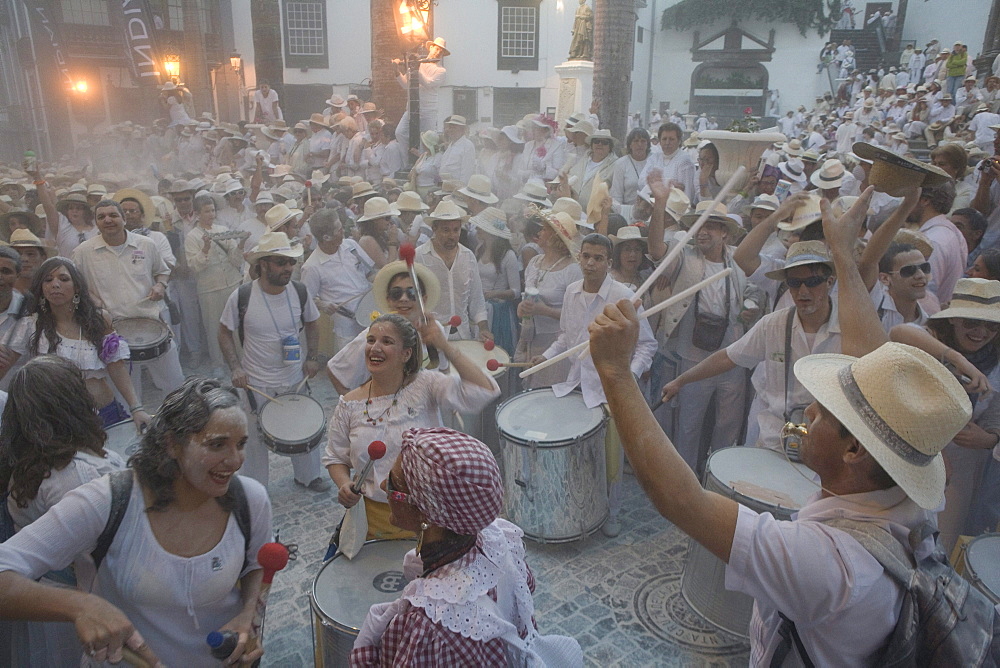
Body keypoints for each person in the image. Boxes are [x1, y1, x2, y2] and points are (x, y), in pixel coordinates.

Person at [589, 188, 970, 666]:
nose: (810, 412)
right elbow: (867, 361)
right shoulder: (907, 500)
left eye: (825, 410)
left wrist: (616, 373)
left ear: (855, 450)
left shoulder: (830, 566)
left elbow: (683, 501)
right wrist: (845, 257)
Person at [0, 377, 272, 666]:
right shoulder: (107, 500)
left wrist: (248, 616)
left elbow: (258, 564)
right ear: (171, 444)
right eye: (217, 445)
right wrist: (80, 605)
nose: (235, 460)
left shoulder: (250, 499)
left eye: (241, 444)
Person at [350, 427, 567, 665]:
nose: (383, 486)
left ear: (427, 514)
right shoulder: (500, 542)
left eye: (393, 484)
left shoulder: (429, 624)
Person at [324, 315, 499, 543]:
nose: (375, 348)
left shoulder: (426, 385)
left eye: (387, 342)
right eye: (371, 340)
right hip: (372, 519)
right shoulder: (349, 403)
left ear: (406, 354)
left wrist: (444, 346)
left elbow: (483, 391)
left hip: (429, 516)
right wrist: (344, 484)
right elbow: (335, 457)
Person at [0, 355, 126, 667]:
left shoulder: (30, 465)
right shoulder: (72, 476)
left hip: (49, 599)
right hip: (80, 603)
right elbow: (93, 560)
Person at [530, 232, 656, 536]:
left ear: (608, 262)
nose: (590, 263)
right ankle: (580, 504)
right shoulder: (572, 291)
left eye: (598, 258)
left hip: (609, 390)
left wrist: (627, 377)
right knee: (580, 454)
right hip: (575, 385)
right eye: (585, 256)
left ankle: (611, 512)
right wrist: (544, 357)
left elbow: (647, 347)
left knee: (611, 457)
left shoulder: (624, 297)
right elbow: (567, 339)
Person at [890, 277, 1000, 552]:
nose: (981, 332)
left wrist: (989, 439)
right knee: (895, 536)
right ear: (952, 319)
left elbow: (996, 418)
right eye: (971, 323)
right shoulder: (932, 339)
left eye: (991, 326)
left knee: (940, 548)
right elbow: (899, 332)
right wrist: (958, 360)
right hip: (910, 454)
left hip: (962, 467)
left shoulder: (997, 358)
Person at [218, 231, 329, 490]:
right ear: (264, 264)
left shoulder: (299, 291)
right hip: (255, 382)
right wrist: (235, 367)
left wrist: (312, 357)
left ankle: (309, 476)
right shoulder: (242, 296)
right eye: (281, 262)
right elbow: (224, 331)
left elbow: (313, 323)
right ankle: (254, 487)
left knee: (303, 425)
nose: (289, 267)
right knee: (253, 440)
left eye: (291, 262)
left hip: (294, 378)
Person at [71, 199, 184, 404]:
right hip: (111, 331)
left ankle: (179, 427)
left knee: (174, 385)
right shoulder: (83, 252)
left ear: (123, 218)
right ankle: (135, 431)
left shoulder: (146, 245)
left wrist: (160, 285)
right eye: (101, 216)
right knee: (127, 395)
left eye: (113, 215)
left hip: (152, 324)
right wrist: (91, 298)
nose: (108, 220)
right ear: (96, 222)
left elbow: (163, 271)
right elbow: (76, 285)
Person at [20, 257, 150, 430]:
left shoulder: (99, 319)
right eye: (48, 280)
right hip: (60, 422)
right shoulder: (31, 326)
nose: (55, 285)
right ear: (42, 288)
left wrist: (136, 408)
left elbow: (116, 367)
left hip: (107, 415)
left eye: (64, 279)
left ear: (77, 287)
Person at [515, 211, 583, 388]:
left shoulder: (572, 270)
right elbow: (525, 297)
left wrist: (543, 310)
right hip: (531, 338)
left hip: (557, 343)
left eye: (545, 229)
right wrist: (522, 308)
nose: (539, 233)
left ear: (556, 237)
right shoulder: (535, 262)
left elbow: (577, 317)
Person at [415, 200, 493, 342]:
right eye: (446, 230)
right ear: (434, 229)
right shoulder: (418, 257)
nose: (452, 235)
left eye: (456, 230)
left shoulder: (468, 256)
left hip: (463, 335)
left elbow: (477, 299)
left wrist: (483, 329)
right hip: (430, 338)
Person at [301, 207, 374, 357]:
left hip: (371, 317)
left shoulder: (351, 246)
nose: (343, 232)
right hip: (347, 327)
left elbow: (370, 273)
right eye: (339, 230)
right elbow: (305, 299)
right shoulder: (311, 267)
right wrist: (322, 304)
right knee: (351, 371)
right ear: (326, 237)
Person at [185, 193, 246, 371]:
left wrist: (241, 244)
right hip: (210, 289)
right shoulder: (193, 237)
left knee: (237, 324)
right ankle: (218, 363)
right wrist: (205, 248)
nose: (211, 215)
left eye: (212, 211)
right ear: (197, 213)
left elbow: (236, 260)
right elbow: (194, 266)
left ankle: (242, 361)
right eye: (206, 211)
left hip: (232, 284)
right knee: (214, 328)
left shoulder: (222, 230)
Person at [471, 207, 520, 355]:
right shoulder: (479, 249)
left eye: (481, 226)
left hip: (499, 313)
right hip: (479, 308)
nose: (477, 229)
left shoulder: (508, 255)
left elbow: (516, 291)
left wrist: (493, 294)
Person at [640, 122, 696, 199]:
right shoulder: (654, 158)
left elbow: (687, 193)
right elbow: (641, 181)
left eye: (671, 139)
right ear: (660, 141)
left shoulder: (684, 161)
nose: (667, 143)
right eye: (664, 139)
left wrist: (656, 183)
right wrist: (669, 185)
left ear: (679, 141)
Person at [611, 128, 651, 214]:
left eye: (643, 141)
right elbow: (616, 195)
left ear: (647, 144)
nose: (639, 144)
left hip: (651, 212)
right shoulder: (621, 164)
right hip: (628, 212)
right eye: (636, 141)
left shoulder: (655, 161)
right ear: (630, 145)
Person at [356, 197, 400, 270]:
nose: (389, 221)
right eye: (387, 218)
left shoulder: (382, 235)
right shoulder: (367, 240)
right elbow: (387, 268)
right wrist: (392, 241)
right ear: (375, 220)